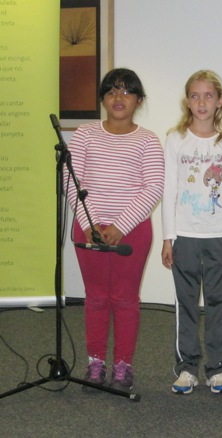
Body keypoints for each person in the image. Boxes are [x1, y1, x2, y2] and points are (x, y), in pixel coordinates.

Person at [65, 68, 165, 392]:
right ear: (102, 99)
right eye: (110, 91)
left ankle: (123, 365)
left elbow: (153, 187)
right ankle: (95, 363)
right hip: (88, 228)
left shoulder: (148, 140)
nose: (118, 98)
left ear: (139, 100)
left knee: (124, 299)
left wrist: (121, 225)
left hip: (132, 231)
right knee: (95, 297)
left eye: (126, 91)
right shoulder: (85, 134)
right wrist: (91, 223)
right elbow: (72, 180)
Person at [161, 70, 222, 395]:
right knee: (185, 303)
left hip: (221, 236)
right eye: (195, 96)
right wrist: (168, 237)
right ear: (187, 101)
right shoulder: (175, 138)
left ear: (219, 101)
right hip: (184, 236)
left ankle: (217, 368)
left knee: (217, 304)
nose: (201, 102)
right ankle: (186, 368)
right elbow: (169, 189)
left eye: (208, 96)